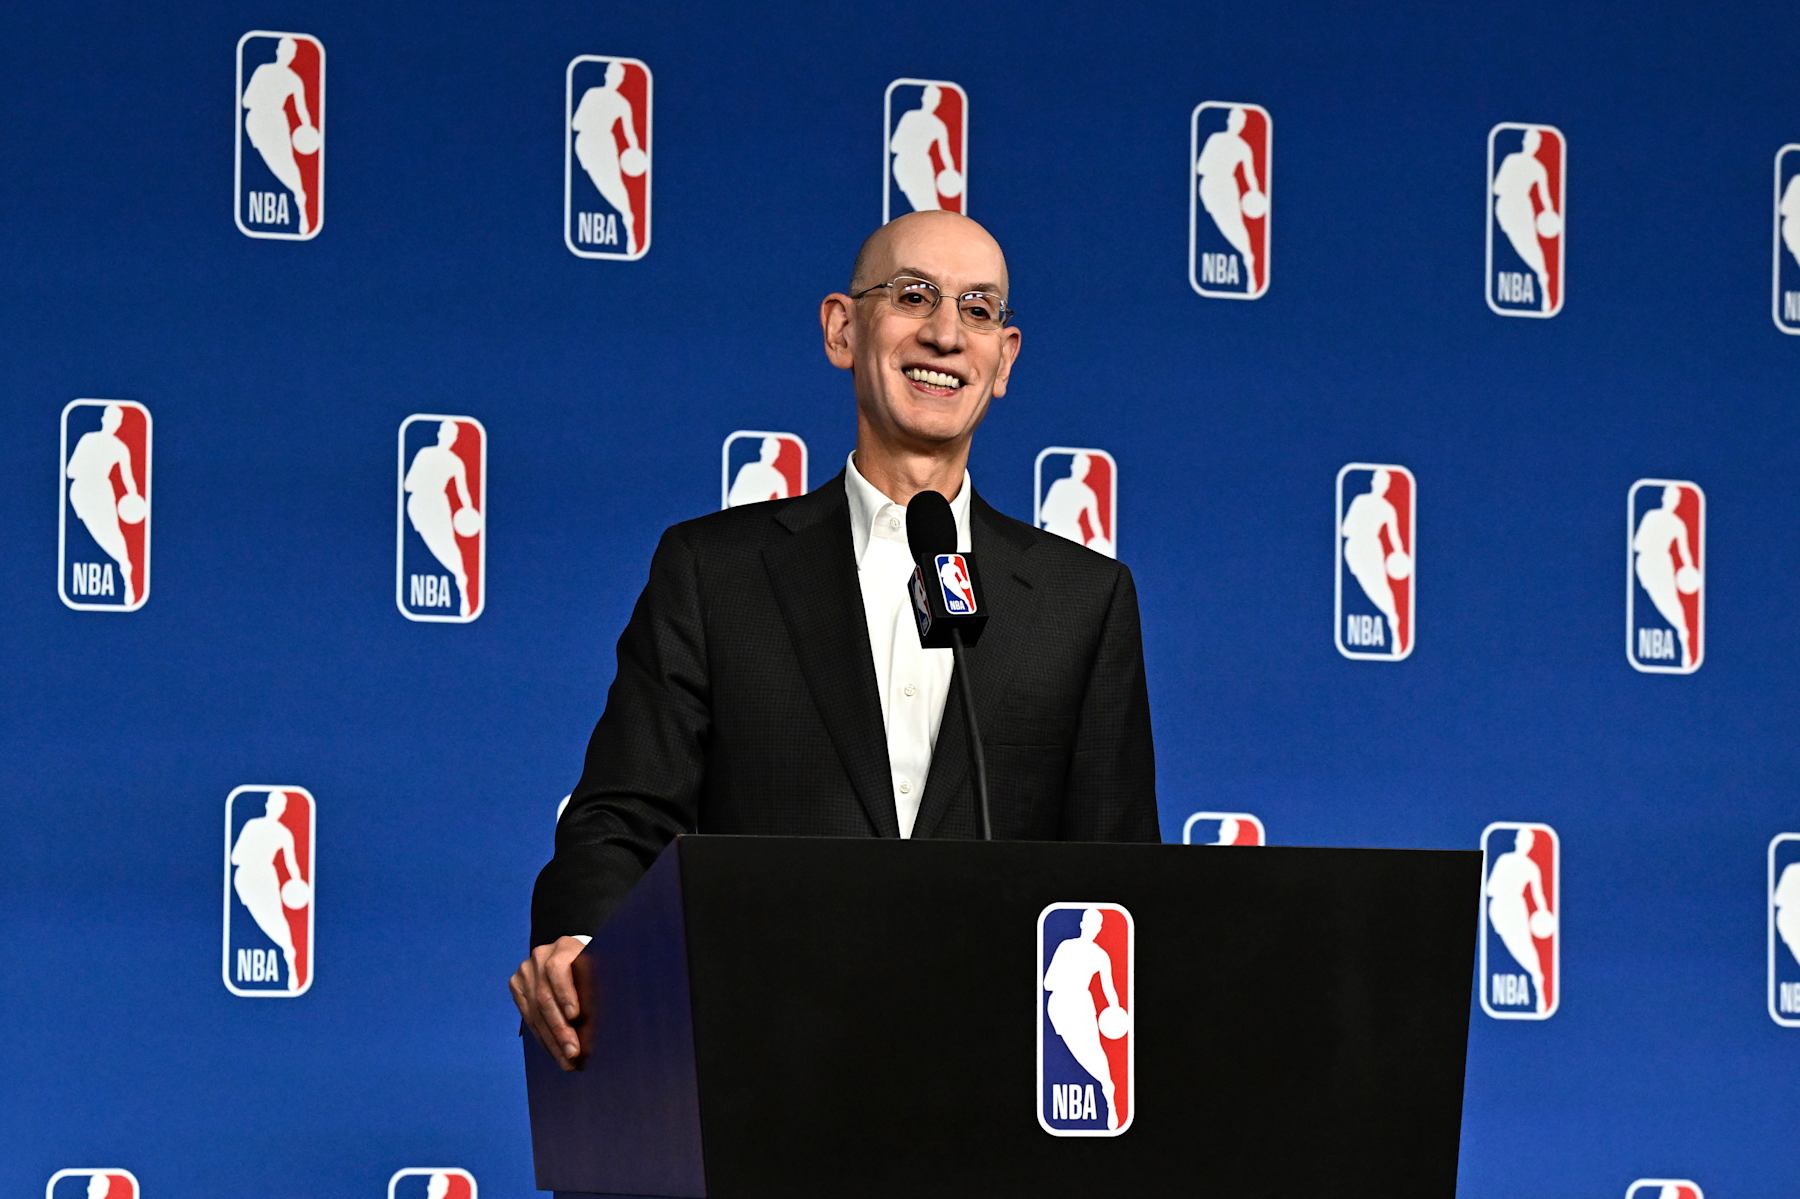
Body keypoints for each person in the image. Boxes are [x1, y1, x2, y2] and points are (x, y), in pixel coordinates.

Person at [512, 211, 1160, 1070]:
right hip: (763, 1066)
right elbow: (623, 814)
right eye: (914, 295)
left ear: (1004, 360)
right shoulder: (715, 572)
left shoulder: (1082, 601)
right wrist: (584, 945)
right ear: (842, 329)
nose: (943, 333)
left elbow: (1121, 881)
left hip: (988, 1087)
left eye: (976, 309)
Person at [1042, 907, 1125, 1129]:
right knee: (1081, 1053)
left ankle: (1109, 1094)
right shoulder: (1066, 947)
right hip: (1060, 1006)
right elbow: (1047, 983)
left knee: (1095, 1051)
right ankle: (1106, 1085)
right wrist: (1067, 979)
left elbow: (1109, 989)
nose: (1093, 929)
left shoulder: (1100, 955)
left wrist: (1115, 1010)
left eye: (1096, 925)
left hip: (1082, 1005)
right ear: (1082, 925)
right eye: (1090, 923)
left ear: (1098, 929)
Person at [230, 791, 306, 994]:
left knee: (275, 919)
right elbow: (234, 857)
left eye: (281, 806)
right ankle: (288, 951)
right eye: (276, 804)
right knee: (266, 919)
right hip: (247, 878)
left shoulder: (282, 833)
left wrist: (297, 883)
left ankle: (290, 956)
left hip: (263, 877)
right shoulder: (253, 826)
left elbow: (292, 864)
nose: (278, 809)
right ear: (268, 805)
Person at [65, 404, 142, 605]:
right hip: (82, 492)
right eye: (111, 419)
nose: (113, 423)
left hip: (100, 490)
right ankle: (125, 566)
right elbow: (69, 471)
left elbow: (129, 478)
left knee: (112, 533)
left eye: (117, 421)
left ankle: (126, 571)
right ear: (104, 419)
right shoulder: (88, 439)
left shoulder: (119, 448)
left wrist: (133, 497)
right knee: (101, 533)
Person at [404, 420, 479, 618]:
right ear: (440, 435)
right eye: (446, 433)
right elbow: (407, 484)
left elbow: (464, 493)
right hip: (421, 505)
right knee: (440, 546)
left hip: (436, 504)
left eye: (451, 435)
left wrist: (469, 511)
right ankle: (460, 579)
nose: (448, 438)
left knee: (447, 545)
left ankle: (462, 582)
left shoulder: (454, 461)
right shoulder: (426, 454)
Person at [242, 36, 315, 235]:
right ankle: (299, 196)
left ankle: (300, 201)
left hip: (274, 121)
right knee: (274, 163)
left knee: (287, 163)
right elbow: (245, 101)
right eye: (285, 51)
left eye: (290, 53)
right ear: (278, 51)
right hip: (258, 122)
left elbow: (302, 109)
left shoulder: (293, 79)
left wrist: (307, 128)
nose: (287, 56)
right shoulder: (264, 71)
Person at [571, 61, 644, 255]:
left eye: (619, 77)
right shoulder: (592, 94)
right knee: (602, 185)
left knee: (615, 185)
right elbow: (575, 123)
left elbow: (630, 132)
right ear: (607, 75)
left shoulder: (622, 103)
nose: (616, 80)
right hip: (586, 144)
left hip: (604, 144)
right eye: (613, 75)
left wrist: (635, 151)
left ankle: (628, 222)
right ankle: (627, 218)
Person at [1485, 828, 1552, 1014]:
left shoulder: (1532, 867)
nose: (1525, 844)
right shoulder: (1504, 860)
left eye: (1528, 841)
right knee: (1516, 946)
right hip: (1500, 908)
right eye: (1523, 840)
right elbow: (1490, 889)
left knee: (1525, 947)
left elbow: (1538, 895)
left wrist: (1544, 912)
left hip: (1516, 908)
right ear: (1517, 841)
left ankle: (1538, 984)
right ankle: (1537, 979)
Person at [1492, 128, 1558, 313]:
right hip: (1510, 208)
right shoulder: (1516, 161)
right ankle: (1543, 279)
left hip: (1518, 207)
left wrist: (1550, 213)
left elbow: (1545, 197)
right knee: (1525, 246)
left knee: (1530, 245)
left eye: (1535, 143)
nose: (1533, 146)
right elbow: (1496, 188)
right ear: (1526, 143)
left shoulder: (1535, 167)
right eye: (1531, 142)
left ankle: (1543, 283)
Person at [1632, 485, 1697, 667]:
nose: (1672, 502)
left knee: (1672, 603)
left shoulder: (1677, 524)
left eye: (1675, 499)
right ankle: (1682, 634)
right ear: (1664, 498)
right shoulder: (1651, 516)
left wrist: (1690, 568)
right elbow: (1637, 544)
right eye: (1670, 498)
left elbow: (1685, 552)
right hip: (1647, 564)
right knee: (1663, 602)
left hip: (1661, 563)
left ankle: (1684, 639)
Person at [1195, 107, 1261, 284]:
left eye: (1241, 122)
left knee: (1235, 226)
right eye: (1235, 120)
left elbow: (1250, 175)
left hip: (1226, 187)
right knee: (1226, 225)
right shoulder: (1215, 139)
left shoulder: (1243, 147)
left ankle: (1249, 263)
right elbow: (1199, 168)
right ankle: (1248, 258)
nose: (1237, 124)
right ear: (1229, 120)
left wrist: (1256, 193)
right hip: (1210, 187)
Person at [1340, 469, 1404, 652]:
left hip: (1371, 549)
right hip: (1355, 549)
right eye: (1378, 481)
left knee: (1380, 587)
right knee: (1371, 587)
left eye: (1383, 482)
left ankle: (1394, 623)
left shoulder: (1387, 509)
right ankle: (1392, 619)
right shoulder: (1360, 501)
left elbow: (1395, 537)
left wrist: (1399, 555)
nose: (1379, 485)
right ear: (1373, 482)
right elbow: (1345, 529)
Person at [889, 86, 955, 213]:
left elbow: (945, 153)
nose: (931, 101)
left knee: (930, 210)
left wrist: (950, 171)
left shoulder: (939, 125)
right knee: (924, 210)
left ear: (938, 102)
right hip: (905, 165)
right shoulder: (910, 117)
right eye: (929, 97)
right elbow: (894, 146)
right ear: (923, 98)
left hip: (921, 165)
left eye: (934, 99)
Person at [1038, 452, 1107, 553]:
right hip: (1052, 534)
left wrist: (1100, 540)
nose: (1081, 470)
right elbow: (1043, 515)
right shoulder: (1059, 485)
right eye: (1079, 465)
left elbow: (1094, 522)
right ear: (1072, 466)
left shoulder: (1088, 493)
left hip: (1074, 538)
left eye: (1084, 467)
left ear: (1087, 470)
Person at [726, 436, 792, 506]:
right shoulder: (748, 469)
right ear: (762, 450)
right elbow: (732, 499)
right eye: (768, 450)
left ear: (777, 454)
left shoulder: (779, 478)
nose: (770, 454)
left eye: (773, 451)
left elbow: (784, 509)